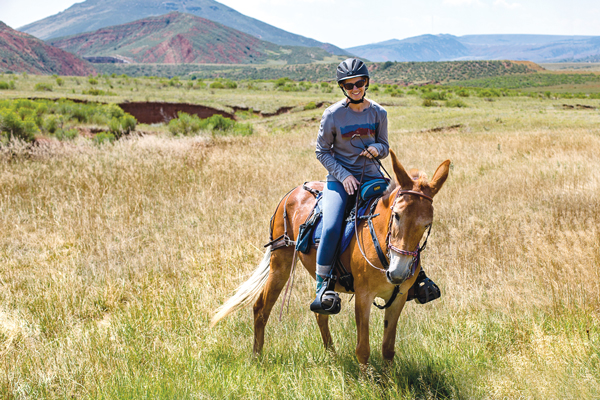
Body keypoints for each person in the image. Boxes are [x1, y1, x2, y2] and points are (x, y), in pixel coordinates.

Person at [310, 58, 439, 315]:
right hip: (340, 180)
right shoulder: (332, 115)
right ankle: (324, 286)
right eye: (349, 85)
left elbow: (384, 145)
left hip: (373, 178)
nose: (355, 88)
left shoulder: (379, 112)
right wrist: (343, 175)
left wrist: (376, 149)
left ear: (366, 83)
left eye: (359, 83)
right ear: (343, 87)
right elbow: (321, 151)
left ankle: (418, 278)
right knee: (334, 224)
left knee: (404, 214)